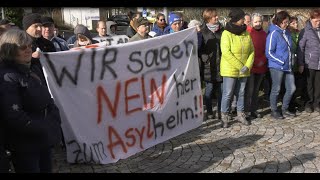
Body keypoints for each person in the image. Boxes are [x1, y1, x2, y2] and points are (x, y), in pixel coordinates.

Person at [0, 29, 62, 173]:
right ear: (11, 50)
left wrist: (54, 118)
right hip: (25, 146)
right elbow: (14, 115)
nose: (28, 50)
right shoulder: (6, 78)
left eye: (30, 46)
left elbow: (47, 99)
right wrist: (43, 127)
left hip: (42, 140)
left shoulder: (30, 71)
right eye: (23, 47)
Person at [220, 8, 254, 128]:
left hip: (244, 69)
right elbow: (226, 52)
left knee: (241, 93)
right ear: (236, 19)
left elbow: (251, 51)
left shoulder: (246, 33)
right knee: (228, 94)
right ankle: (224, 116)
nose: (244, 21)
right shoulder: (226, 33)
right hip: (230, 69)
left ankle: (241, 115)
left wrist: (247, 66)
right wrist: (241, 66)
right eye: (242, 18)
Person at [266, 10, 296, 119]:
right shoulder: (273, 33)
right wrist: (281, 61)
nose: (286, 24)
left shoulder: (287, 32)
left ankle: (285, 109)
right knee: (276, 89)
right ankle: (274, 110)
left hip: (288, 66)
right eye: (284, 22)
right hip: (276, 66)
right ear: (279, 22)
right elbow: (269, 52)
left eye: (287, 22)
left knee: (291, 88)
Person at [199, 8, 224, 121]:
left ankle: (220, 111)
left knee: (221, 92)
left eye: (216, 15)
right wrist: (206, 59)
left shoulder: (222, 30)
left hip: (221, 66)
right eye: (214, 16)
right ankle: (209, 111)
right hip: (209, 67)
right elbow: (199, 49)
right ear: (208, 19)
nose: (217, 17)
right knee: (208, 91)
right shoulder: (203, 31)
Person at [244, 13, 268, 119]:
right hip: (251, 66)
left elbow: (267, 49)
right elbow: (246, 50)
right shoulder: (248, 33)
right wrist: (253, 61)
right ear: (252, 22)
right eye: (256, 22)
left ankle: (253, 109)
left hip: (261, 66)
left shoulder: (264, 34)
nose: (258, 24)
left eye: (260, 21)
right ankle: (246, 110)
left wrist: (263, 60)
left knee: (256, 90)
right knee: (249, 90)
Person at [297, 9, 320, 113]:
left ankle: (317, 103)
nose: (318, 22)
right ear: (311, 19)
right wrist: (301, 63)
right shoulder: (305, 31)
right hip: (309, 63)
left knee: (318, 85)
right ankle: (308, 103)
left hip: (319, 63)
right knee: (309, 85)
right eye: (316, 21)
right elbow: (300, 48)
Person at [23, 13, 56, 77]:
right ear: (27, 28)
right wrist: (30, 58)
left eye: (40, 26)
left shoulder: (48, 44)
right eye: (36, 26)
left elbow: (55, 61)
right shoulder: (18, 44)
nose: (39, 29)